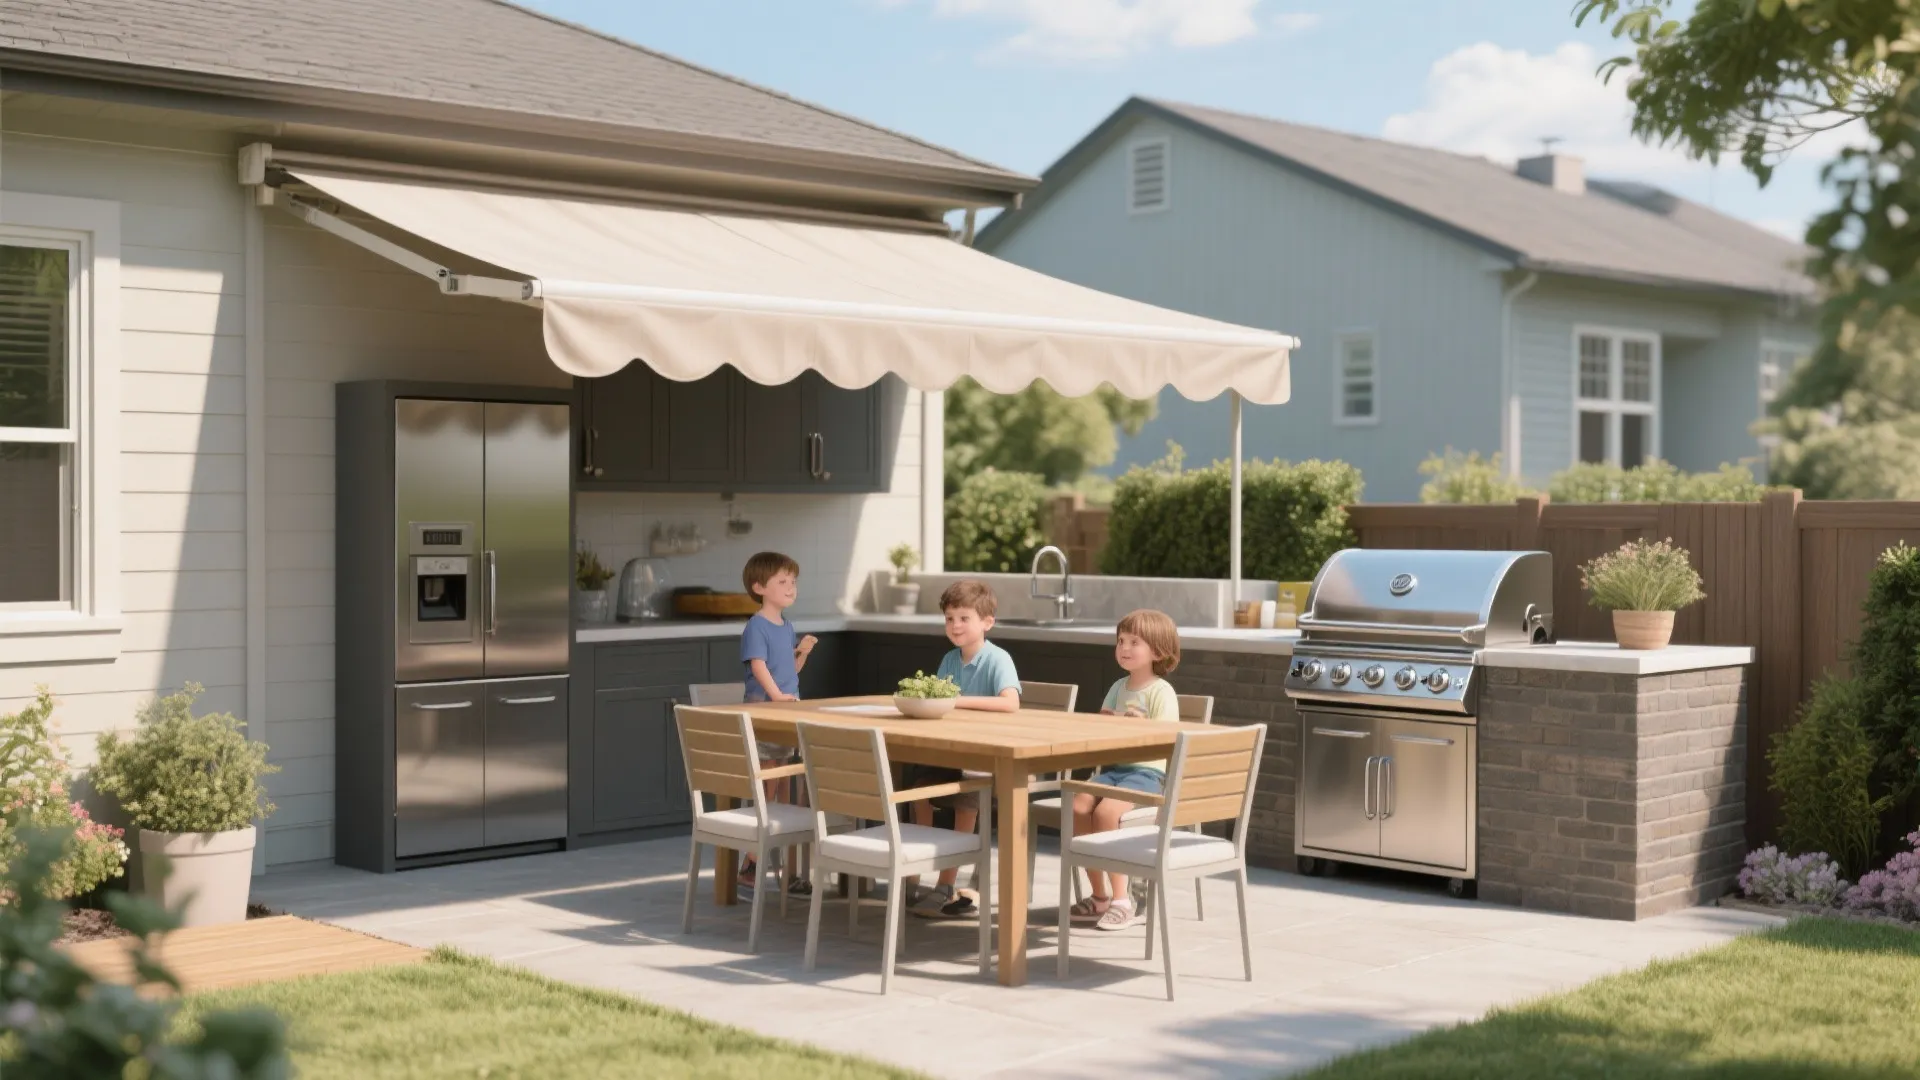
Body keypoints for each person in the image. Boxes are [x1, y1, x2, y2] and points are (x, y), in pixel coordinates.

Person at [903, 580, 1020, 918]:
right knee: (919, 794)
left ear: (987, 622)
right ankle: (912, 877)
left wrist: (958, 701)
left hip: (986, 758)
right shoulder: (949, 659)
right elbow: (938, 699)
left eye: (963, 618)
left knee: (967, 802)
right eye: (949, 618)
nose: (955, 625)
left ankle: (945, 883)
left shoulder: (998, 659)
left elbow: (1011, 703)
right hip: (949, 753)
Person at [1071, 608, 1181, 931]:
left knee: (1107, 814)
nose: (1124, 648)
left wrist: (1141, 726)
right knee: (1078, 804)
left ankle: (1123, 901)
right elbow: (1102, 725)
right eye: (1121, 641)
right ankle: (1099, 896)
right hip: (1117, 771)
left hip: (1148, 776)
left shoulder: (1162, 692)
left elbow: (1168, 737)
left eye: (1135, 642)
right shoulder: (1118, 687)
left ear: (1158, 651)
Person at [737, 551, 818, 898]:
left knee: (786, 786)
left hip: (785, 710)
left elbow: (790, 673)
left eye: (793, 581)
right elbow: (758, 667)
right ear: (759, 587)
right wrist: (775, 697)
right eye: (782, 582)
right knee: (768, 784)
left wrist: (803, 652)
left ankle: (781, 870)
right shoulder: (757, 625)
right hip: (765, 713)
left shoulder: (787, 627)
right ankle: (753, 862)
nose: (790, 587)